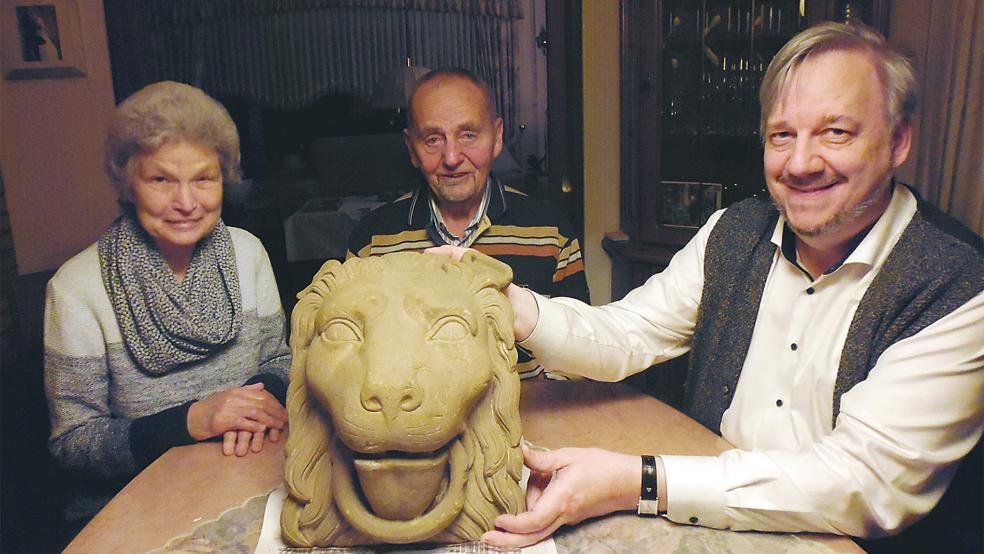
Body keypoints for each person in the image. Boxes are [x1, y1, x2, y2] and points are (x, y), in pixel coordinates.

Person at [432, 22, 983, 550]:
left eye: (835, 132)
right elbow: (627, 334)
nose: (800, 163)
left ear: (899, 141)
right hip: (715, 528)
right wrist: (507, 304)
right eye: (781, 136)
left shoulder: (956, 284)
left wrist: (641, 481)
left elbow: (864, 483)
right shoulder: (734, 230)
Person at [44, 81, 290, 523]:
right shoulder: (76, 288)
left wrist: (258, 403)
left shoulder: (247, 252)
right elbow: (74, 444)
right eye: (161, 179)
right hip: (138, 508)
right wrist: (192, 421)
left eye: (203, 178)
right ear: (127, 181)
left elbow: (281, 360)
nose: (186, 203)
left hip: (251, 476)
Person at [348, 67, 590, 379]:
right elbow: (356, 357)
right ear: (411, 149)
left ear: (498, 137)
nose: (451, 157)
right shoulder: (373, 241)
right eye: (433, 139)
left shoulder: (551, 233)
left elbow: (579, 351)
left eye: (468, 135)